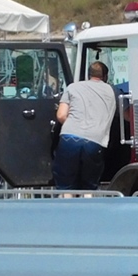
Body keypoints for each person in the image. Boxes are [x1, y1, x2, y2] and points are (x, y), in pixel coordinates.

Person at [53, 60, 117, 190]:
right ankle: (88, 200)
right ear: (105, 76)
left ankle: (67, 201)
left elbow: (61, 115)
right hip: (95, 140)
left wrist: (76, 125)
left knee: (66, 184)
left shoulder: (72, 87)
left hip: (69, 137)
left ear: (88, 75)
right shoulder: (112, 91)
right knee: (89, 185)